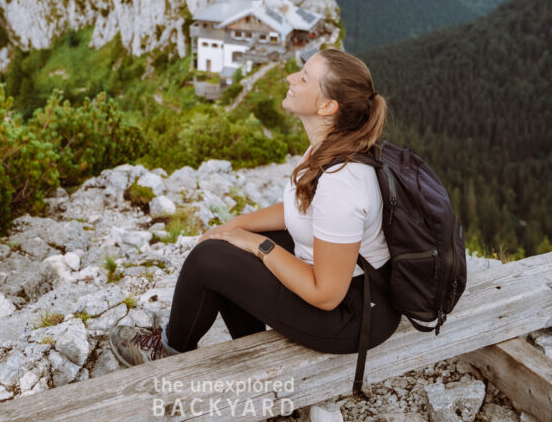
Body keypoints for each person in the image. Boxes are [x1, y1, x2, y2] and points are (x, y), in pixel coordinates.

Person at [108, 48, 401, 367]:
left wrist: (257, 245)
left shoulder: (341, 184)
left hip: (353, 318)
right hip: (350, 292)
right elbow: (298, 209)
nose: (290, 77)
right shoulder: (331, 145)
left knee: (208, 260)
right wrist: (234, 226)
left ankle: (168, 350)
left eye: (303, 78)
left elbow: (327, 294)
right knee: (229, 246)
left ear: (327, 106)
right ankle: (252, 352)